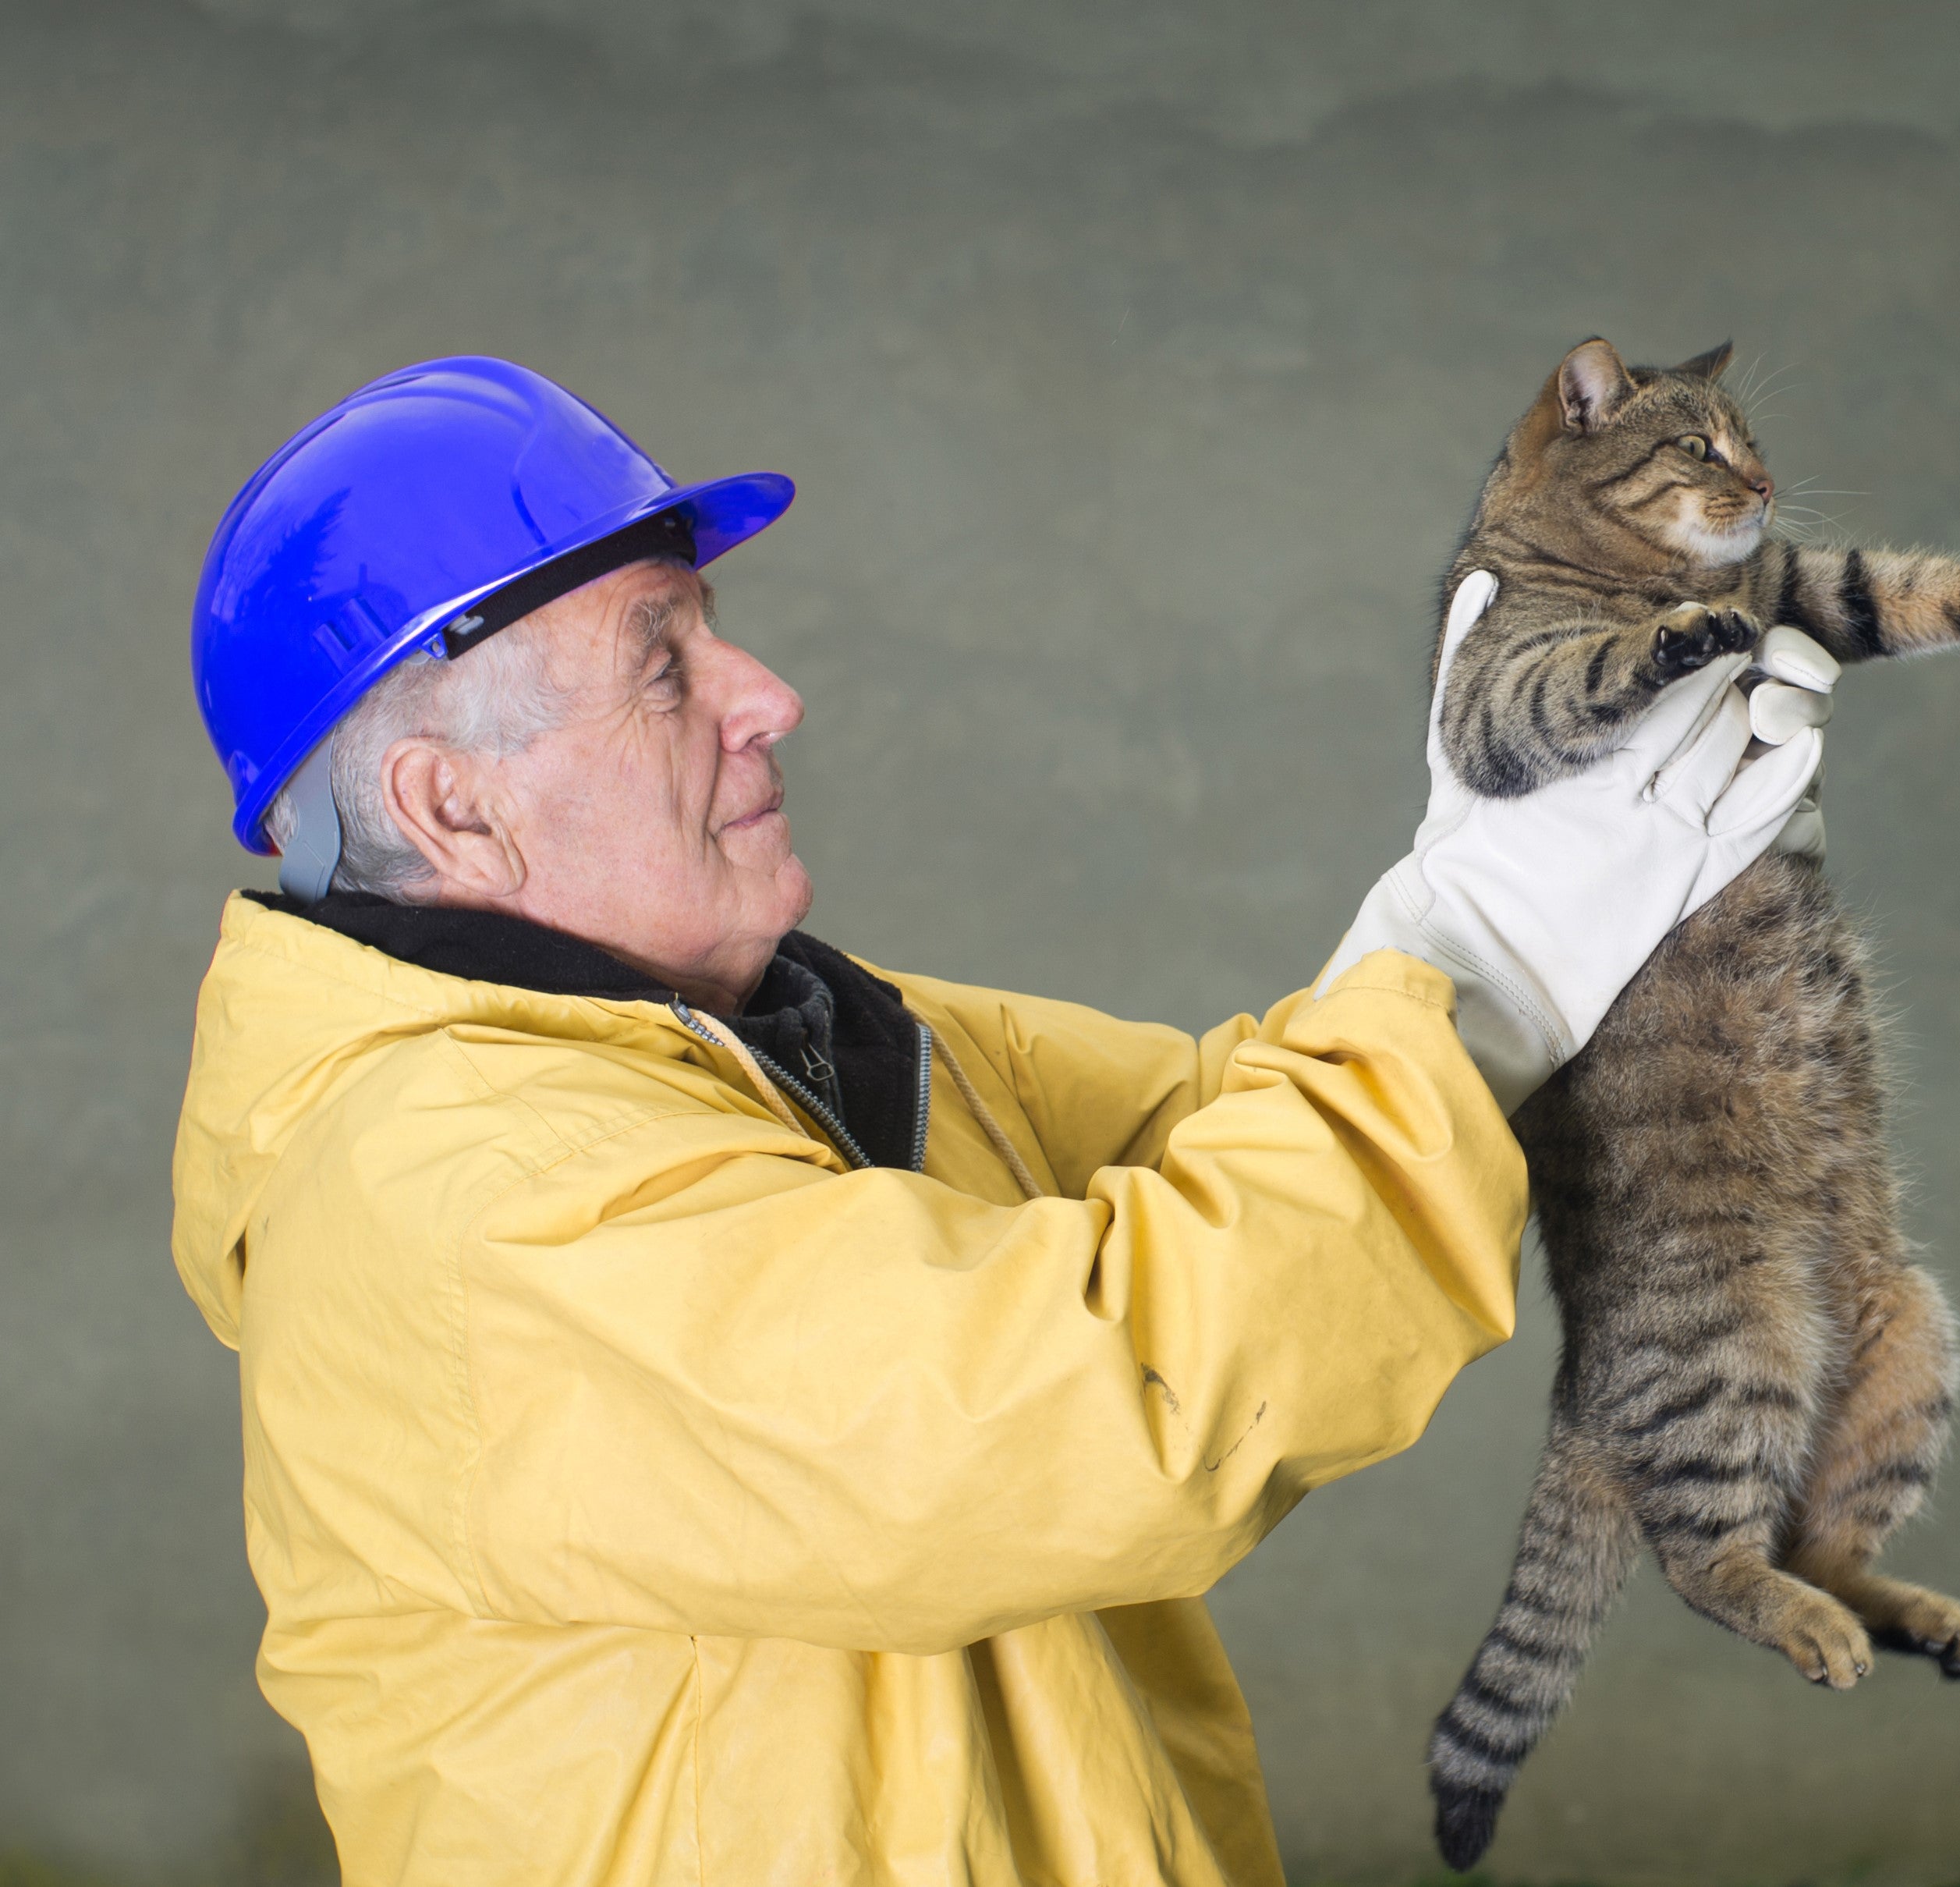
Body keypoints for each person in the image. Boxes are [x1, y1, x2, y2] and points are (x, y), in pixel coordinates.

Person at [170, 357, 1829, 1885]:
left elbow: (1220, 1150)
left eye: (715, 627)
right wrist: (1478, 965)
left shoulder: (792, 1043)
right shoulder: (465, 1198)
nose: (766, 694)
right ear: (450, 801)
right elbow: (1091, 1396)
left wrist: (1456, 936)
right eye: (661, 664)